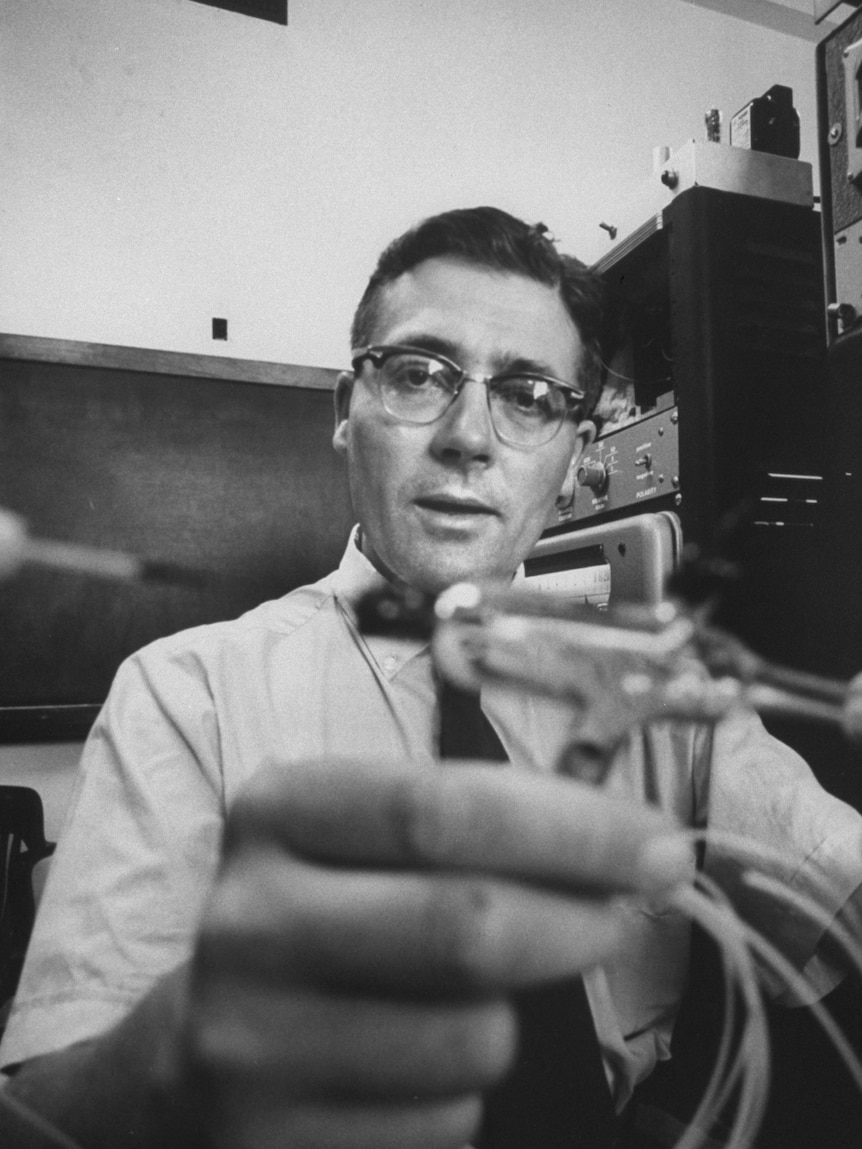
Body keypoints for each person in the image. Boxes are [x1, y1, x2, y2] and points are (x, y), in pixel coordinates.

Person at [1, 206, 860, 1149]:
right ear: (345, 415)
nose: (468, 436)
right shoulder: (184, 695)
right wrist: (183, 1043)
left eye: (530, 395)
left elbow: (837, 885)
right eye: (418, 375)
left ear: (575, 459)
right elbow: (45, 1115)